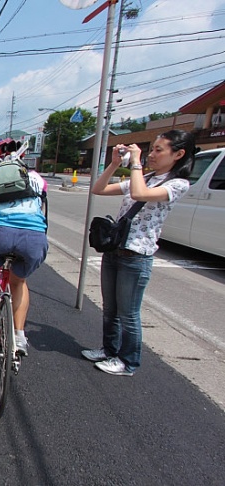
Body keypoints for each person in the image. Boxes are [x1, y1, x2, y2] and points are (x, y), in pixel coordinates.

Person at [81, 130, 194, 376]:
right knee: (110, 308)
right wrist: (113, 164)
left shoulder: (177, 184)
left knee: (128, 313)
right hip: (115, 251)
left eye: (158, 150)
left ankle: (128, 362)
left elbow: (140, 194)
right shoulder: (147, 177)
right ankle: (109, 351)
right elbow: (98, 189)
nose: (152, 155)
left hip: (137, 255)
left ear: (179, 154)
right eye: (151, 149)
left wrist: (134, 162)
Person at [0, 156, 48, 357]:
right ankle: (19, 336)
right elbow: (41, 206)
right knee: (19, 282)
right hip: (33, 238)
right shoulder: (38, 179)